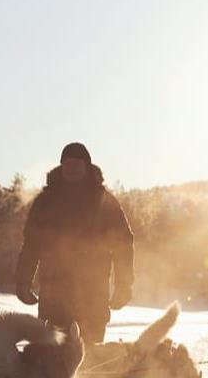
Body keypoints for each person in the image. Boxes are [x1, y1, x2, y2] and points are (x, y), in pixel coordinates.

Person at [15, 143, 134, 344]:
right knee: (51, 362)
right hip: (54, 299)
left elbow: (123, 245)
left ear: (87, 167)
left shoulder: (105, 202)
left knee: (89, 361)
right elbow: (31, 245)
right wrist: (23, 281)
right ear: (61, 167)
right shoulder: (46, 201)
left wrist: (124, 285)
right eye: (67, 164)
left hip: (93, 299)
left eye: (76, 165)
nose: (71, 169)